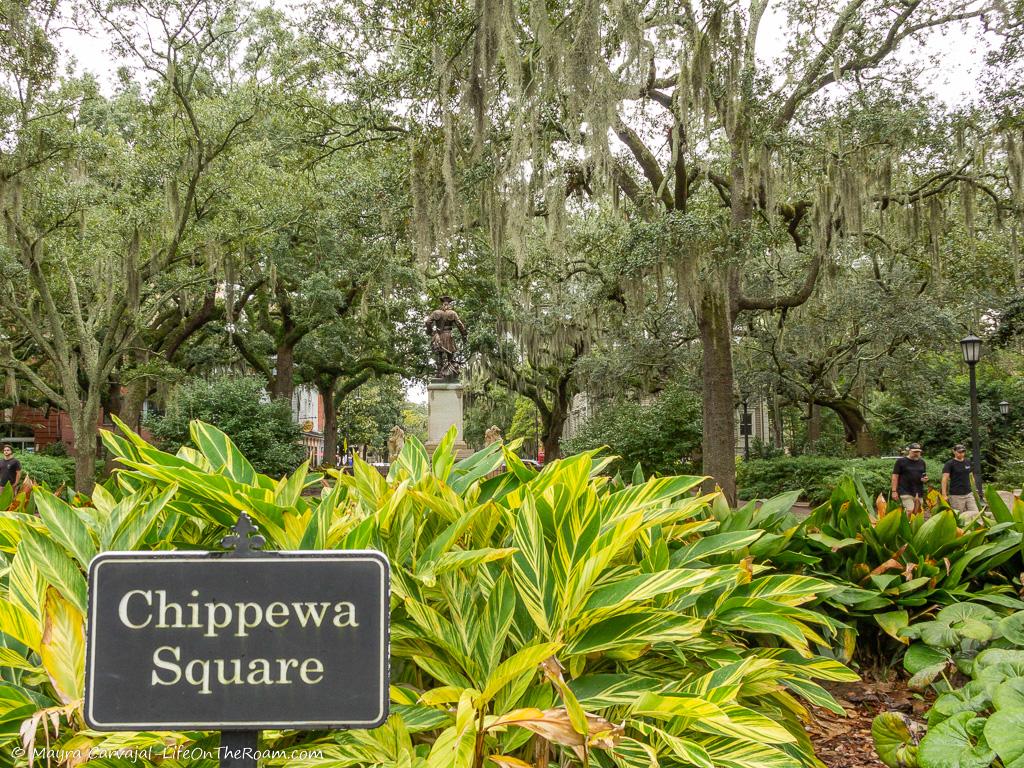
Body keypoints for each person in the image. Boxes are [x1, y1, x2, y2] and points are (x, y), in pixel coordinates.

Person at [942, 443, 980, 522]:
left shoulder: (967, 462)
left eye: (963, 452)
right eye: (959, 452)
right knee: (959, 518)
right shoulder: (949, 464)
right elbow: (944, 479)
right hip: (956, 495)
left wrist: (974, 489)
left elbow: (971, 476)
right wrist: (944, 495)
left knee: (976, 514)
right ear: (954, 452)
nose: (961, 453)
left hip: (969, 493)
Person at [891, 443, 928, 513]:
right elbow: (895, 476)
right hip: (905, 491)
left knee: (918, 512)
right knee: (910, 510)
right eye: (914, 451)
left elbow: (923, 475)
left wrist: (924, 479)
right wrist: (894, 491)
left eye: (918, 452)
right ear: (909, 451)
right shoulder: (901, 461)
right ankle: (906, 524)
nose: (916, 453)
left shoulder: (922, 462)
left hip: (918, 492)